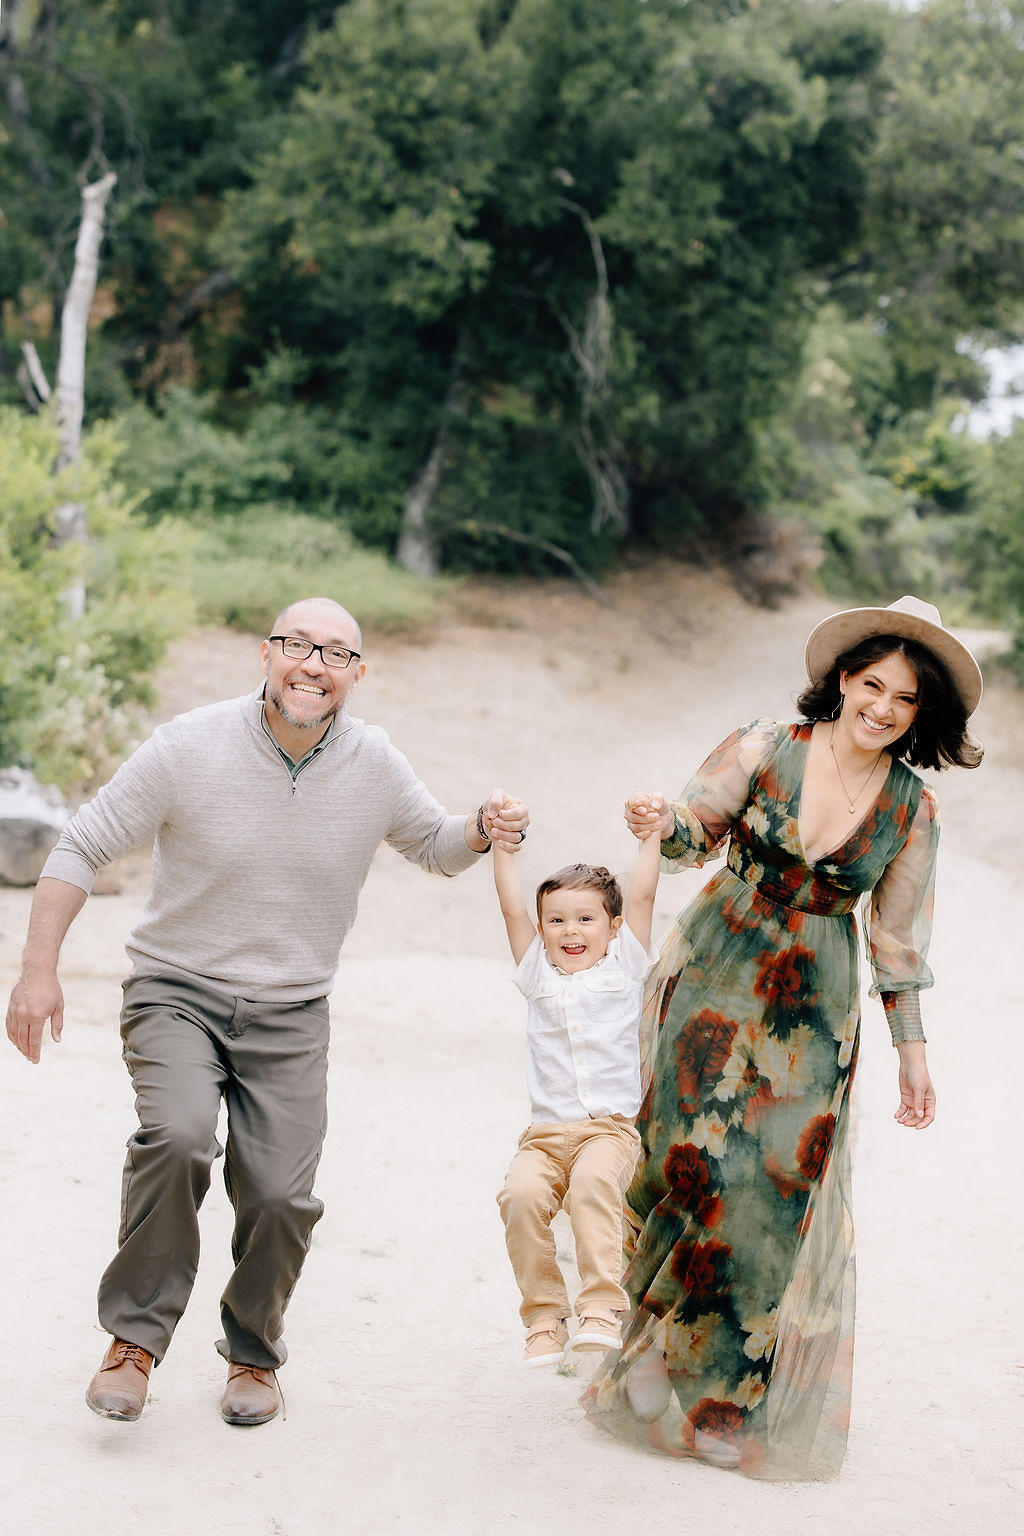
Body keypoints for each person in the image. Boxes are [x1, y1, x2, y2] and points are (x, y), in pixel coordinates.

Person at [5, 596, 529, 1428]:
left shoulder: (375, 761)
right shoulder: (190, 744)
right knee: (177, 1140)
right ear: (265, 654)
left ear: (358, 674)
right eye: (297, 645)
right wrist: (38, 972)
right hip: (177, 992)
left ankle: (253, 1354)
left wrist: (483, 826)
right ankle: (133, 1343)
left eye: (335, 653)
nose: (313, 664)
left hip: (291, 1013)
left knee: (281, 1196)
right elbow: (83, 842)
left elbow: (434, 843)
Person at [583, 595, 983, 1480]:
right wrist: (658, 821)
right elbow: (695, 834)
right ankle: (652, 1354)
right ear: (842, 679)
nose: (881, 707)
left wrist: (913, 1051)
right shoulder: (766, 745)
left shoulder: (914, 808)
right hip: (716, 974)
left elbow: (898, 941)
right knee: (689, 1163)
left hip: (815, 1008)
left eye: (904, 698)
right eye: (870, 683)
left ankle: (725, 1396)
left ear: (924, 715)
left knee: (770, 1199)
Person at [492, 818, 661, 1367]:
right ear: (543, 930)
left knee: (592, 1185)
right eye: (557, 919)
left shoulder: (626, 967)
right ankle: (544, 1317)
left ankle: (599, 1309)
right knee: (517, 1198)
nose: (571, 929)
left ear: (612, 928)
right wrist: (501, 850)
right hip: (543, 1136)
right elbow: (512, 908)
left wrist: (651, 836)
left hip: (606, 1131)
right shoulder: (537, 974)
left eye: (586, 919)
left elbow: (643, 892)